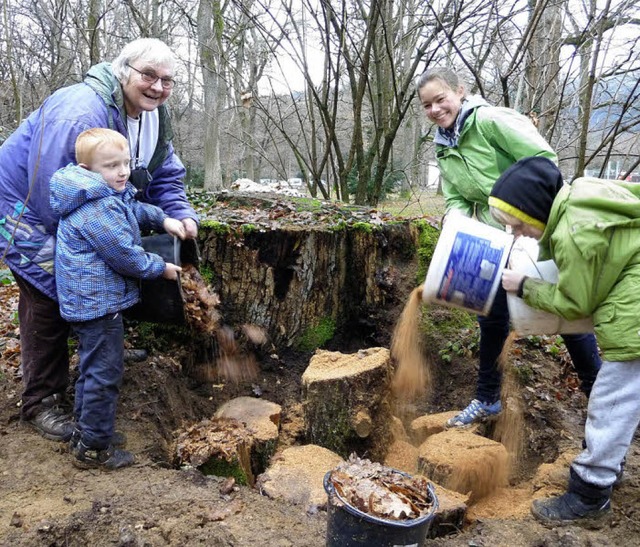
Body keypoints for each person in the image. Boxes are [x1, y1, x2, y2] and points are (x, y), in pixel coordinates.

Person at [0, 38, 199, 442]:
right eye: (148, 76)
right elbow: (54, 191)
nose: (158, 88)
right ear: (123, 70)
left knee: (94, 283)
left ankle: (98, 347)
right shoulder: (79, 113)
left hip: (79, 209)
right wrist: (106, 245)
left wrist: (177, 214)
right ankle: (41, 400)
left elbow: (165, 173)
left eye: (167, 80)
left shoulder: (152, 116)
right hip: (23, 207)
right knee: (50, 291)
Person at [416, 67, 601, 427]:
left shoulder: (489, 121)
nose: (436, 109)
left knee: (569, 317)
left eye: (441, 99)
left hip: (532, 230)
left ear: (460, 91)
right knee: (491, 315)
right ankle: (487, 399)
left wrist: (520, 214)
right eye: (427, 105)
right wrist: (457, 229)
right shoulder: (444, 146)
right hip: (492, 240)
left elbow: (543, 160)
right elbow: (455, 197)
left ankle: (599, 400)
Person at [488, 155, 640, 525]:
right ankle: (607, 467)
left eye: (518, 224)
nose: (516, 233)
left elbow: (575, 304)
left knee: (610, 405)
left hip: (634, 320)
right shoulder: (584, 195)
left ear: (536, 209)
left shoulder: (573, 232)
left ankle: (590, 494)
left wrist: (524, 285)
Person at [51, 128, 185, 469]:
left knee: (92, 368)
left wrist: (164, 218)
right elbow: (125, 255)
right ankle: (94, 449)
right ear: (87, 169)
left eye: (125, 163)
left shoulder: (104, 193)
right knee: (104, 373)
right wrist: (161, 268)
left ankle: (88, 431)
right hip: (97, 305)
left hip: (93, 301)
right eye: (112, 166)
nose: (123, 172)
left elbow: (135, 210)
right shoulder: (95, 208)